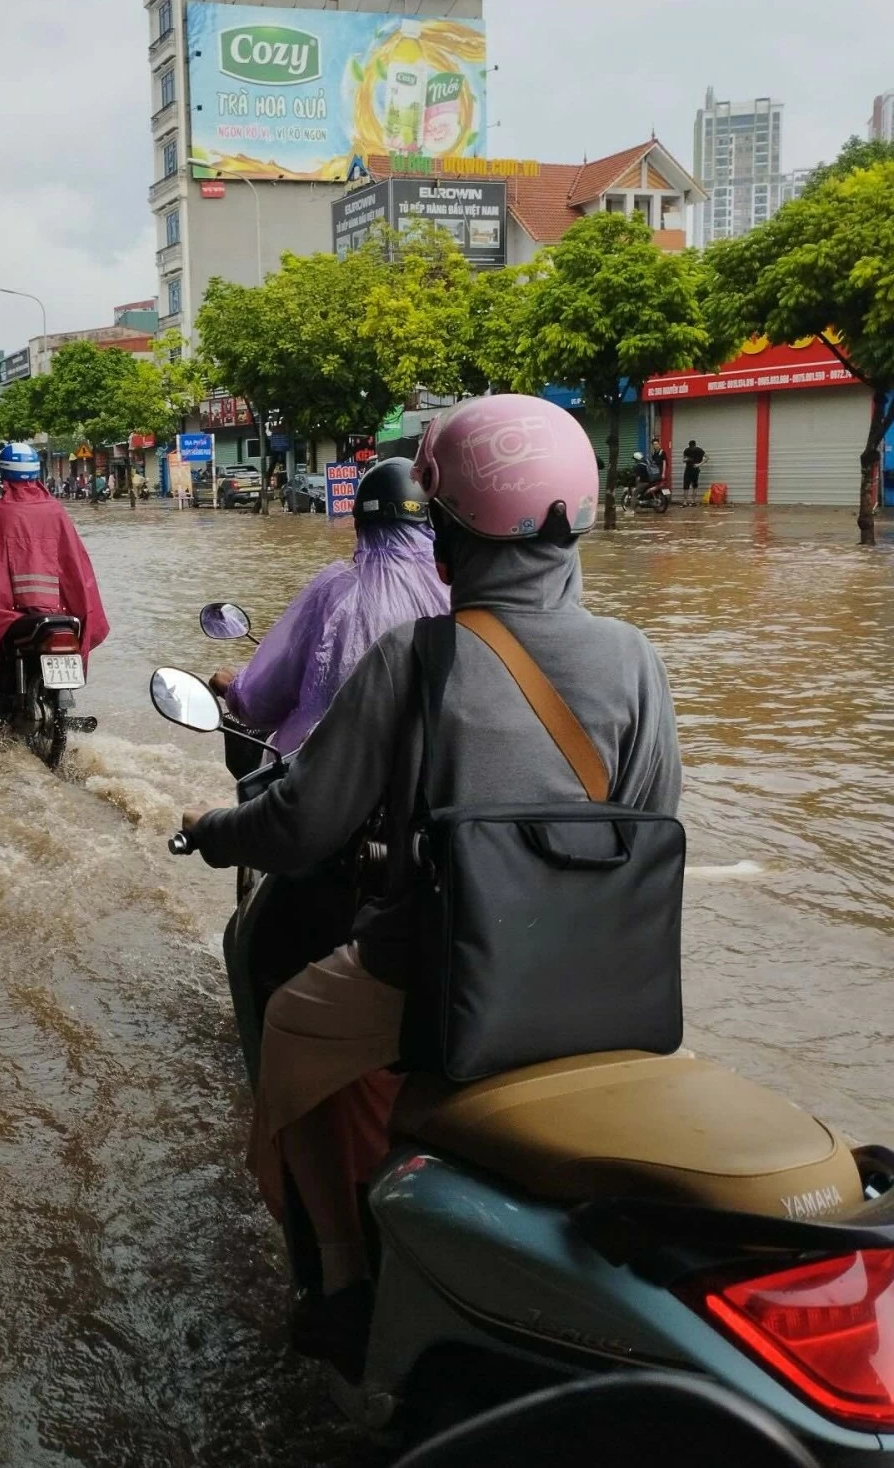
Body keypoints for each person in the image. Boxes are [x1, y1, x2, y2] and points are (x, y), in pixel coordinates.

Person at [180, 396, 681, 1369]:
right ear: (576, 521)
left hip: (441, 975)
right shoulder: (637, 661)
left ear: (448, 538)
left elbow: (300, 823)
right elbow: (652, 821)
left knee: (286, 1022)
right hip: (607, 987)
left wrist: (209, 834)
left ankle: (337, 1272)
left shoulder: (413, 657)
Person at [208, 458, 448, 754]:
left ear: (358, 525)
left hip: (332, 772)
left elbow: (262, 703)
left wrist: (235, 690)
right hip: (439, 764)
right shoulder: (458, 585)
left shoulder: (335, 592)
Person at [0, 442, 109, 715]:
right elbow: (77, 566)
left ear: (2, 475)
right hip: (59, 611)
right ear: (37, 473)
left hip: (10, 615)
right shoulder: (56, 510)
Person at [682, 438, 706, 505]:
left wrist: (698, 464)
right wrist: (698, 464)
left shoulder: (696, 450)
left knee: (690, 486)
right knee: (690, 486)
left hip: (692, 470)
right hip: (691, 470)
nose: (692, 449)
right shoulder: (689, 450)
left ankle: (689, 502)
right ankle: (689, 502)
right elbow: (683, 460)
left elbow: (707, 458)